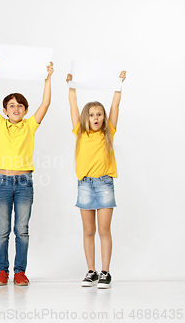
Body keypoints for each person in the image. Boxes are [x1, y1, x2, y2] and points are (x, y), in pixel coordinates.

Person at [0, 59, 54, 286]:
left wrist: (48, 78)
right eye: (11, 105)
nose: (16, 108)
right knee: (2, 230)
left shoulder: (30, 125)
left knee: (21, 230)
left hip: (24, 183)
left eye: (20, 105)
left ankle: (19, 272)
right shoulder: (0, 124)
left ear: (25, 110)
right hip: (2, 182)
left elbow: (46, 103)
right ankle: (2, 271)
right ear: (5, 110)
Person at [67, 71, 126, 289]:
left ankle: (105, 272)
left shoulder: (108, 132)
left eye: (99, 114)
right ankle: (91, 271)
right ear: (86, 117)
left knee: (103, 230)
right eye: (92, 114)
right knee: (88, 231)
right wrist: (71, 85)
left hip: (104, 185)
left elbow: (115, 106)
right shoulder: (80, 133)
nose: (96, 118)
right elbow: (73, 105)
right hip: (85, 185)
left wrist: (119, 83)